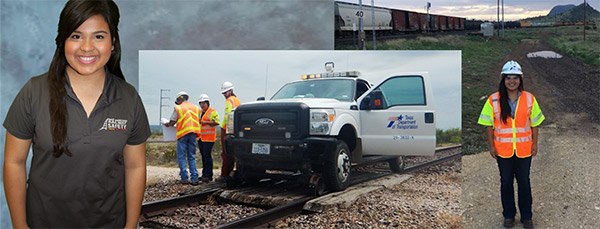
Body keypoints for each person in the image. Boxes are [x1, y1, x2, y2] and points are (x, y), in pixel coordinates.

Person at [3, 0, 150, 228]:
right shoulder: (34, 92)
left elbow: (135, 167)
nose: (87, 47)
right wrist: (20, 226)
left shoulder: (129, 98)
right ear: (63, 41)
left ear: (113, 43)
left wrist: (130, 226)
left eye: (99, 36)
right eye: (76, 36)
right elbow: (14, 161)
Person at [477, 60, 545, 229]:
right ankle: (508, 215)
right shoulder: (494, 99)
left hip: (524, 149)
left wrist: (534, 144)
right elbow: (488, 124)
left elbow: (534, 123)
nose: (512, 81)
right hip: (503, 150)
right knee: (506, 182)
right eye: (508, 78)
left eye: (515, 78)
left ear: (520, 80)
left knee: (524, 182)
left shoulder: (530, 98)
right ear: (503, 80)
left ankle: (527, 216)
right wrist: (491, 146)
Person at [165, 91, 201, 185]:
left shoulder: (178, 108)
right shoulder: (196, 108)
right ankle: (194, 179)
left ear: (179, 99)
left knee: (181, 156)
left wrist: (167, 124)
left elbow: (173, 121)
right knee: (191, 157)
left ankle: (184, 178)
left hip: (183, 134)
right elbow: (199, 120)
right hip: (193, 134)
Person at [216, 81, 240, 182]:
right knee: (232, 152)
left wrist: (223, 127)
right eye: (224, 93)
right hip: (235, 129)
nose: (225, 95)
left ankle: (225, 174)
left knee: (225, 152)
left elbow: (227, 115)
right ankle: (230, 172)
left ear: (230, 91)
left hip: (227, 128)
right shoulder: (237, 100)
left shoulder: (229, 101)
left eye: (225, 92)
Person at [196, 94, 220, 182]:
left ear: (207, 103)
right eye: (200, 103)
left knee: (207, 155)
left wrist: (204, 122)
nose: (202, 105)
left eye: (203, 103)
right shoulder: (200, 112)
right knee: (203, 156)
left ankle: (209, 175)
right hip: (201, 137)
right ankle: (204, 174)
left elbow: (217, 122)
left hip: (209, 138)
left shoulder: (213, 111)